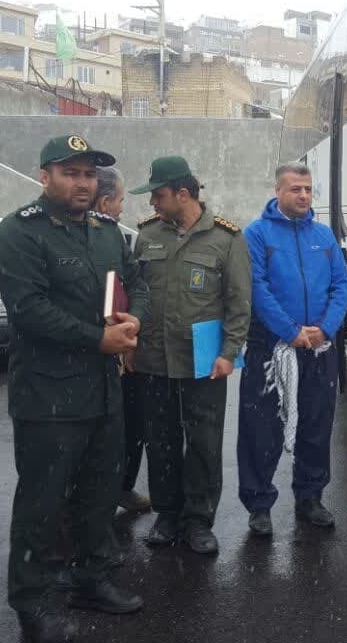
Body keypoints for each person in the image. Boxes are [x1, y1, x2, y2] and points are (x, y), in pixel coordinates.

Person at [0, 135, 147, 643]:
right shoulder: (21, 231)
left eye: (89, 175)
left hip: (103, 391)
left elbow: (136, 280)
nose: (83, 183)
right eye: (71, 172)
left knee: (99, 495)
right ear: (45, 176)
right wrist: (97, 339)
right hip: (48, 396)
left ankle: (89, 579)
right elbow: (29, 309)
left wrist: (133, 317)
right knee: (41, 504)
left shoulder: (106, 232)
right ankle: (32, 603)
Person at [129, 155, 252, 555]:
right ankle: (167, 514)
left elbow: (239, 303)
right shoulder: (147, 235)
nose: (152, 204)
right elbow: (135, 293)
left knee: (203, 441)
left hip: (204, 361)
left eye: (158, 195)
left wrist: (230, 352)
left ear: (183, 194)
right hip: (153, 359)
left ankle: (199, 520)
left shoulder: (226, 238)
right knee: (160, 441)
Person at [238, 163, 347, 536]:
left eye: (308, 189)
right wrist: (290, 331)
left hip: (319, 347)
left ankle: (311, 497)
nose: (303, 195)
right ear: (278, 191)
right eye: (295, 189)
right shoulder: (257, 234)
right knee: (261, 428)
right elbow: (257, 288)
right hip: (272, 349)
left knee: (317, 425)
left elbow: (340, 285)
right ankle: (259, 504)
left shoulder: (324, 236)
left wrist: (325, 329)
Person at [93, 166, 152, 513]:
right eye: (119, 201)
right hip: (89, 353)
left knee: (132, 425)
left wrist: (135, 322)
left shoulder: (114, 236)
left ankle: (123, 487)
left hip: (124, 350)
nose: (122, 209)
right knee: (96, 435)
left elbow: (135, 284)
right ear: (104, 201)